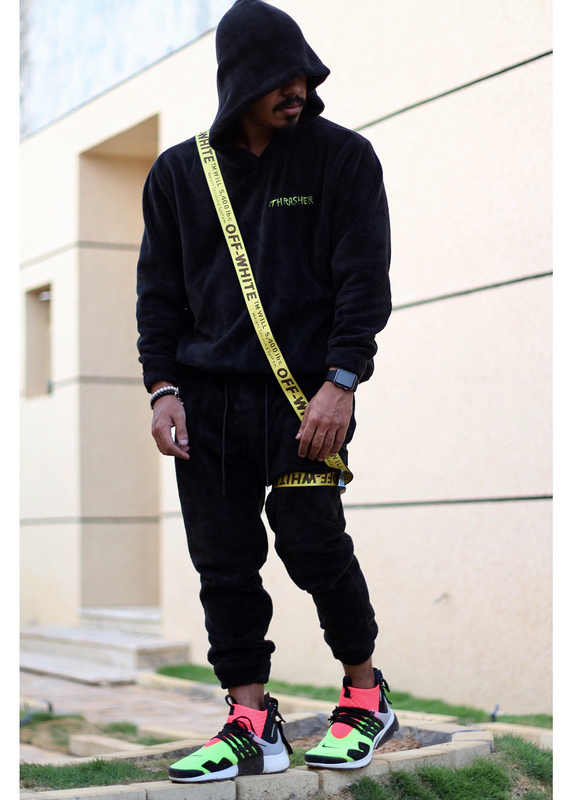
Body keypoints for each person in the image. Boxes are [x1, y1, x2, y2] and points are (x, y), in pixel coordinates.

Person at [136, 0, 394, 784]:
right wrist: (161, 388)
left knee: (312, 542)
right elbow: (158, 295)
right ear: (239, 80)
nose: (299, 89)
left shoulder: (343, 159)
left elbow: (363, 282)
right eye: (282, 77)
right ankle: (250, 722)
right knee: (223, 562)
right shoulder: (178, 174)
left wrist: (342, 381)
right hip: (206, 405)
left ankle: (365, 696)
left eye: (305, 74)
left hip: (305, 398)